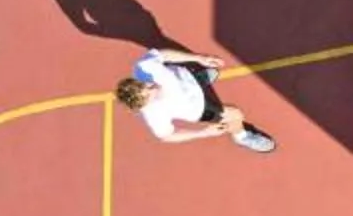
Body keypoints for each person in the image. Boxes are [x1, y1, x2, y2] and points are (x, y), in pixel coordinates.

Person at [117, 47, 276, 154]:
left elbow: (162, 55)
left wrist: (199, 58)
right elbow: (167, 136)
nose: (152, 85)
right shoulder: (154, 115)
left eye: (146, 84)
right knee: (235, 114)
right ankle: (242, 137)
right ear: (144, 104)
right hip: (200, 107)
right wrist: (203, 133)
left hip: (189, 77)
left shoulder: (145, 67)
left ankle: (202, 78)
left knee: (204, 70)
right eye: (149, 92)